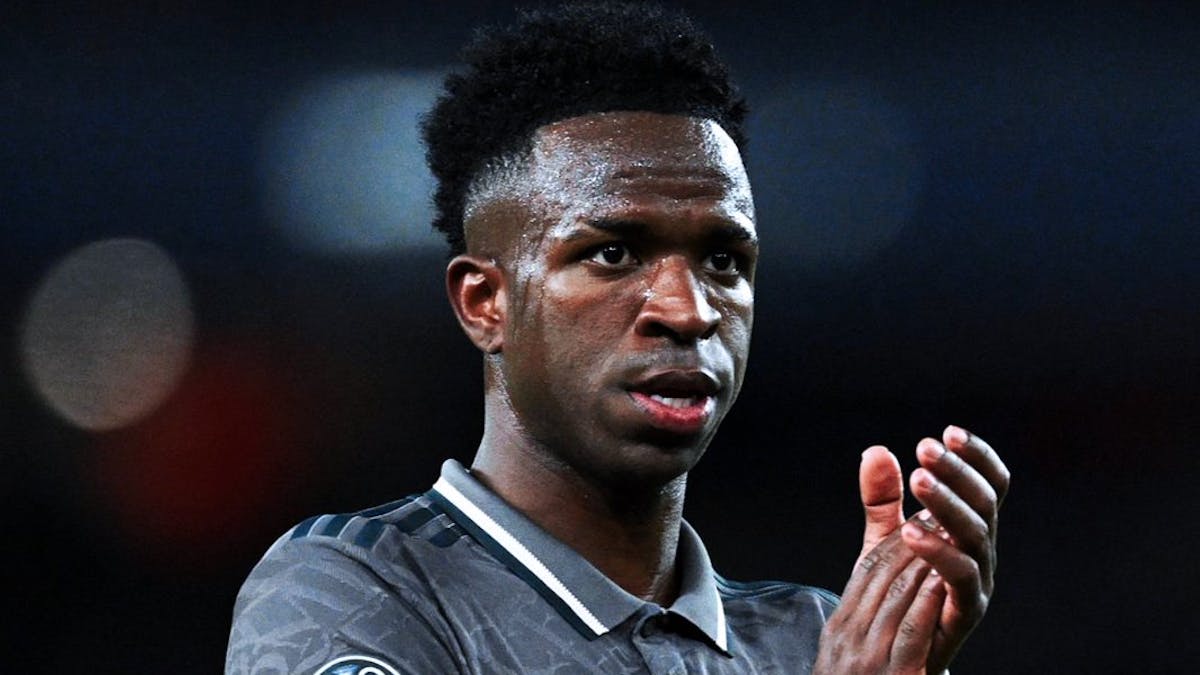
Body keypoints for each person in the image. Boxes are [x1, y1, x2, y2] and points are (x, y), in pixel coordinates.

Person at [226, 3, 1009, 673]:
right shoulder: (352, 587)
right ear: (486, 302)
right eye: (613, 253)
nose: (689, 310)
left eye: (723, 261)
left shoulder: (813, 639)